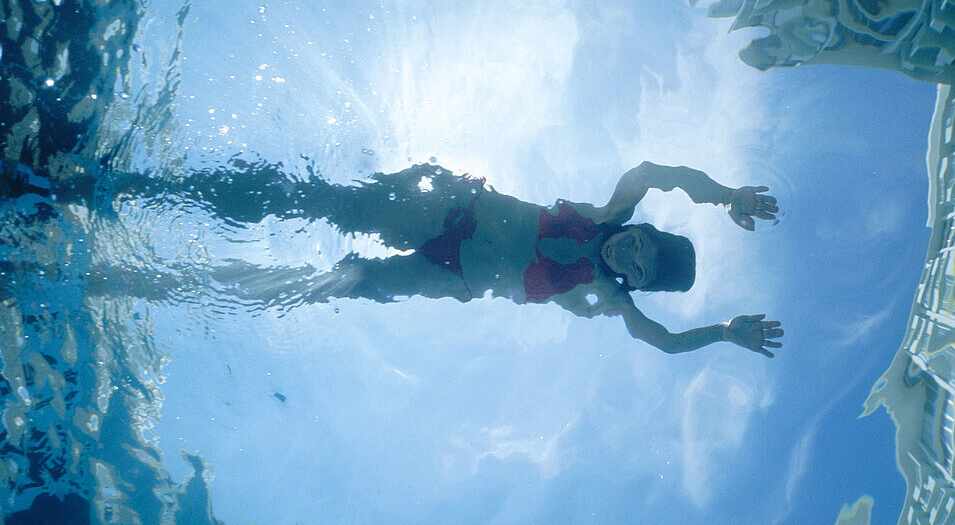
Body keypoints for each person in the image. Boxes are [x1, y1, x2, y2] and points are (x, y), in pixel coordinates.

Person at [138, 159, 784, 356]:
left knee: (334, 283)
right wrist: (726, 193)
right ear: (641, 229)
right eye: (644, 240)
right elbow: (656, 172)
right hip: (447, 212)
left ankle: (180, 282)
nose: (631, 251)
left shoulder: (609, 296)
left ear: (633, 281)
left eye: (639, 266)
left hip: (444, 274)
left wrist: (724, 331)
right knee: (323, 202)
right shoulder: (606, 212)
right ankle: (174, 188)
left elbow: (665, 342)